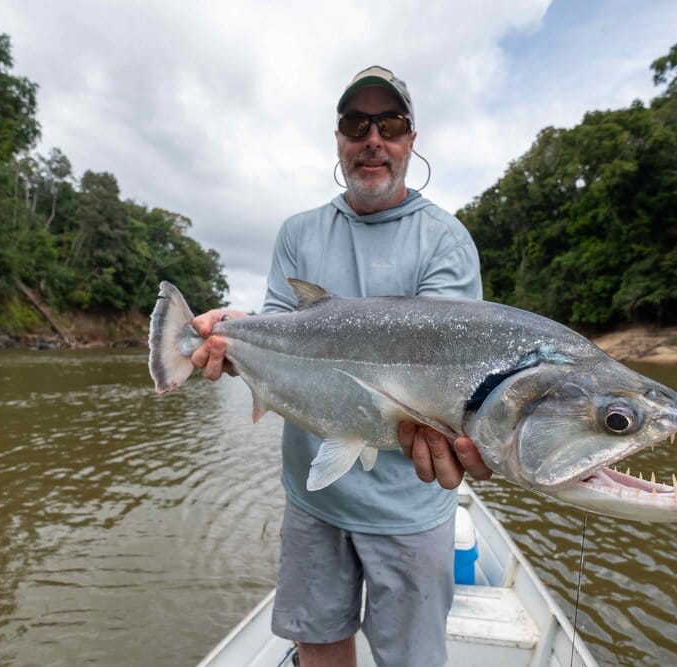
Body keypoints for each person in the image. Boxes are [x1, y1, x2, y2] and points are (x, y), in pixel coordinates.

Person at [189, 66, 492, 667]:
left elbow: (440, 370)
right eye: (357, 123)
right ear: (338, 139)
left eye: (391, 123)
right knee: (318, 642)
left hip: (409, 507)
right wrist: (237, 340)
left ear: (411, 139)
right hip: (313, 497)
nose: (372, 138)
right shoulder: (297, 232)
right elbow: (281, 326)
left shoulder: (445, 241)